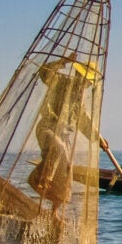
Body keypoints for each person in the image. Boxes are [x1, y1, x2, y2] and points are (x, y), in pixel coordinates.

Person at [29, 55, 99, 218]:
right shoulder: (60, 82)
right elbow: (44, 72)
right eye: (84, 80)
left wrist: (97, 138)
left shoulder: (78, 99)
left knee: (67, 169)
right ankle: (38, 179)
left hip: (63, 134)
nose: (86, 84)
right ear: (78, 76)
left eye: (88, 82)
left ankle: (54, 212)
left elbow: (83, 120)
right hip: (47, 128)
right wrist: (64, 61)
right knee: (58, 148)